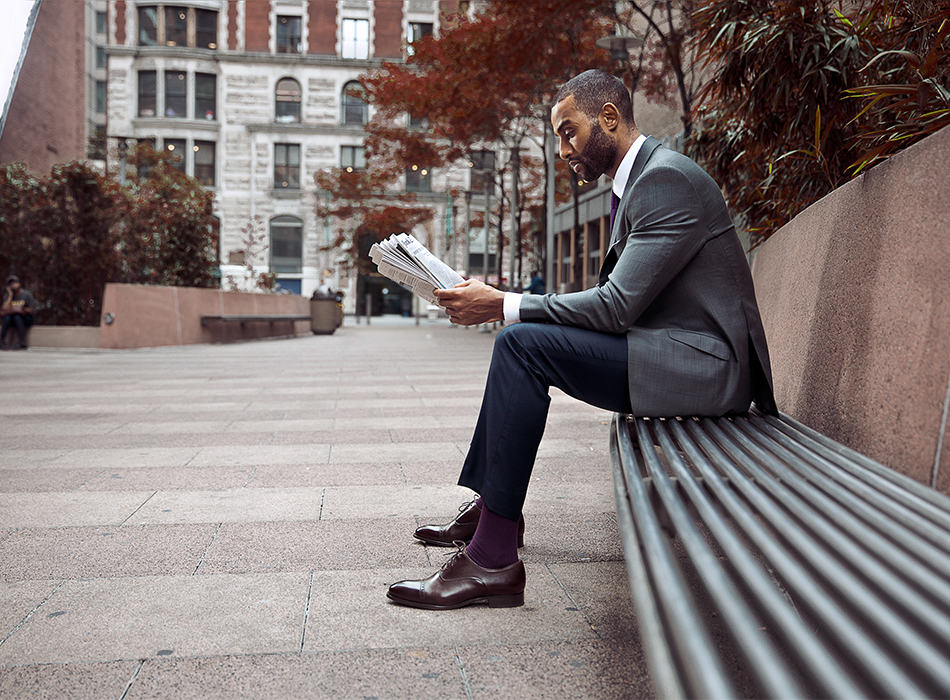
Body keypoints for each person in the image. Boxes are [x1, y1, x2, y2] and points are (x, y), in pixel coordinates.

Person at [386, 70, 777, 611]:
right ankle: (495, 510)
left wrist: (500, 302)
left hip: (705, 369)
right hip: (671, 353)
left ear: (610, 119)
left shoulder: (667, 181)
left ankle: (493, 557)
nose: (564, 149)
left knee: (519, 342)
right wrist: (505, 307)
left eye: (569, 132)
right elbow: (617, 305)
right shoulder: (641, 181)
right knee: (522, 339)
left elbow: (616, 306)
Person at [1, 276, 35, 350]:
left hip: (25, 317)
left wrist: (23, 309)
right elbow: (4, 308)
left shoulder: (26, 295)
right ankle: (2, 341)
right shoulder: (8, 295)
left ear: (19, 283)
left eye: (15, 283)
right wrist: (10, 295)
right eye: (11, 284)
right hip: (11, 318)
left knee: (17, 317)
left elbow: (32, 310)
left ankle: (22, 342)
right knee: (7, 318)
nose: (13, 285)